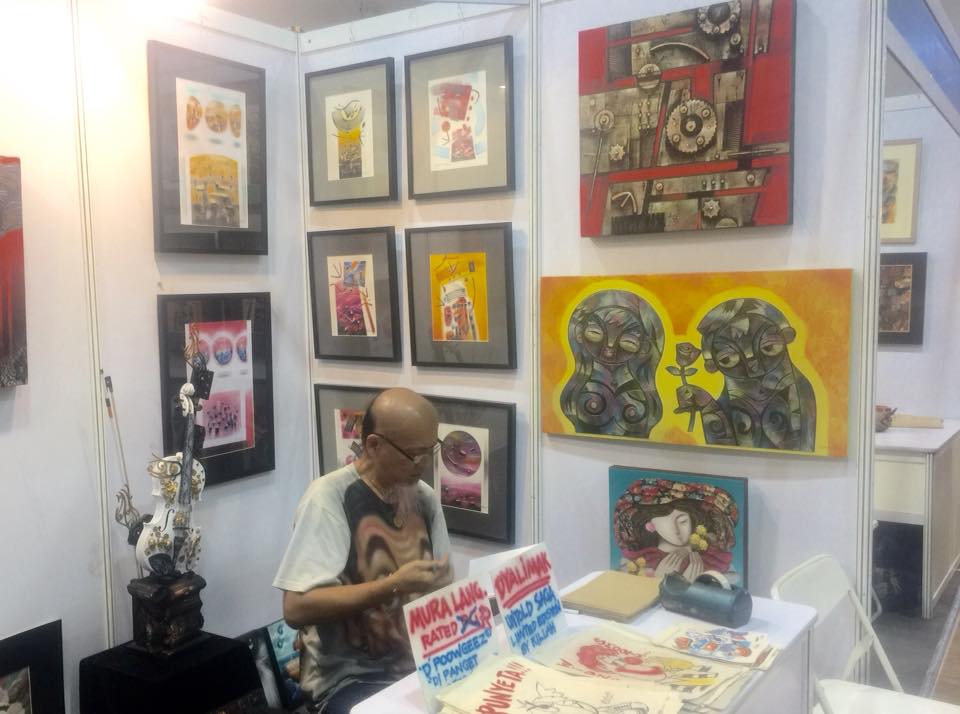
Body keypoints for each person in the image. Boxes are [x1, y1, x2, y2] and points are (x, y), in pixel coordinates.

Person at [274, 388, 453, 713]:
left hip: (418, 667)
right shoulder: (329, 498)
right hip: (350, 680)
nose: (424, 465)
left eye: (431, 450)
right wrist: (392, 585)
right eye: (415, 455)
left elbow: (443, 587)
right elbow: (297, 607)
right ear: (373, 445)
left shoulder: (423, 497)